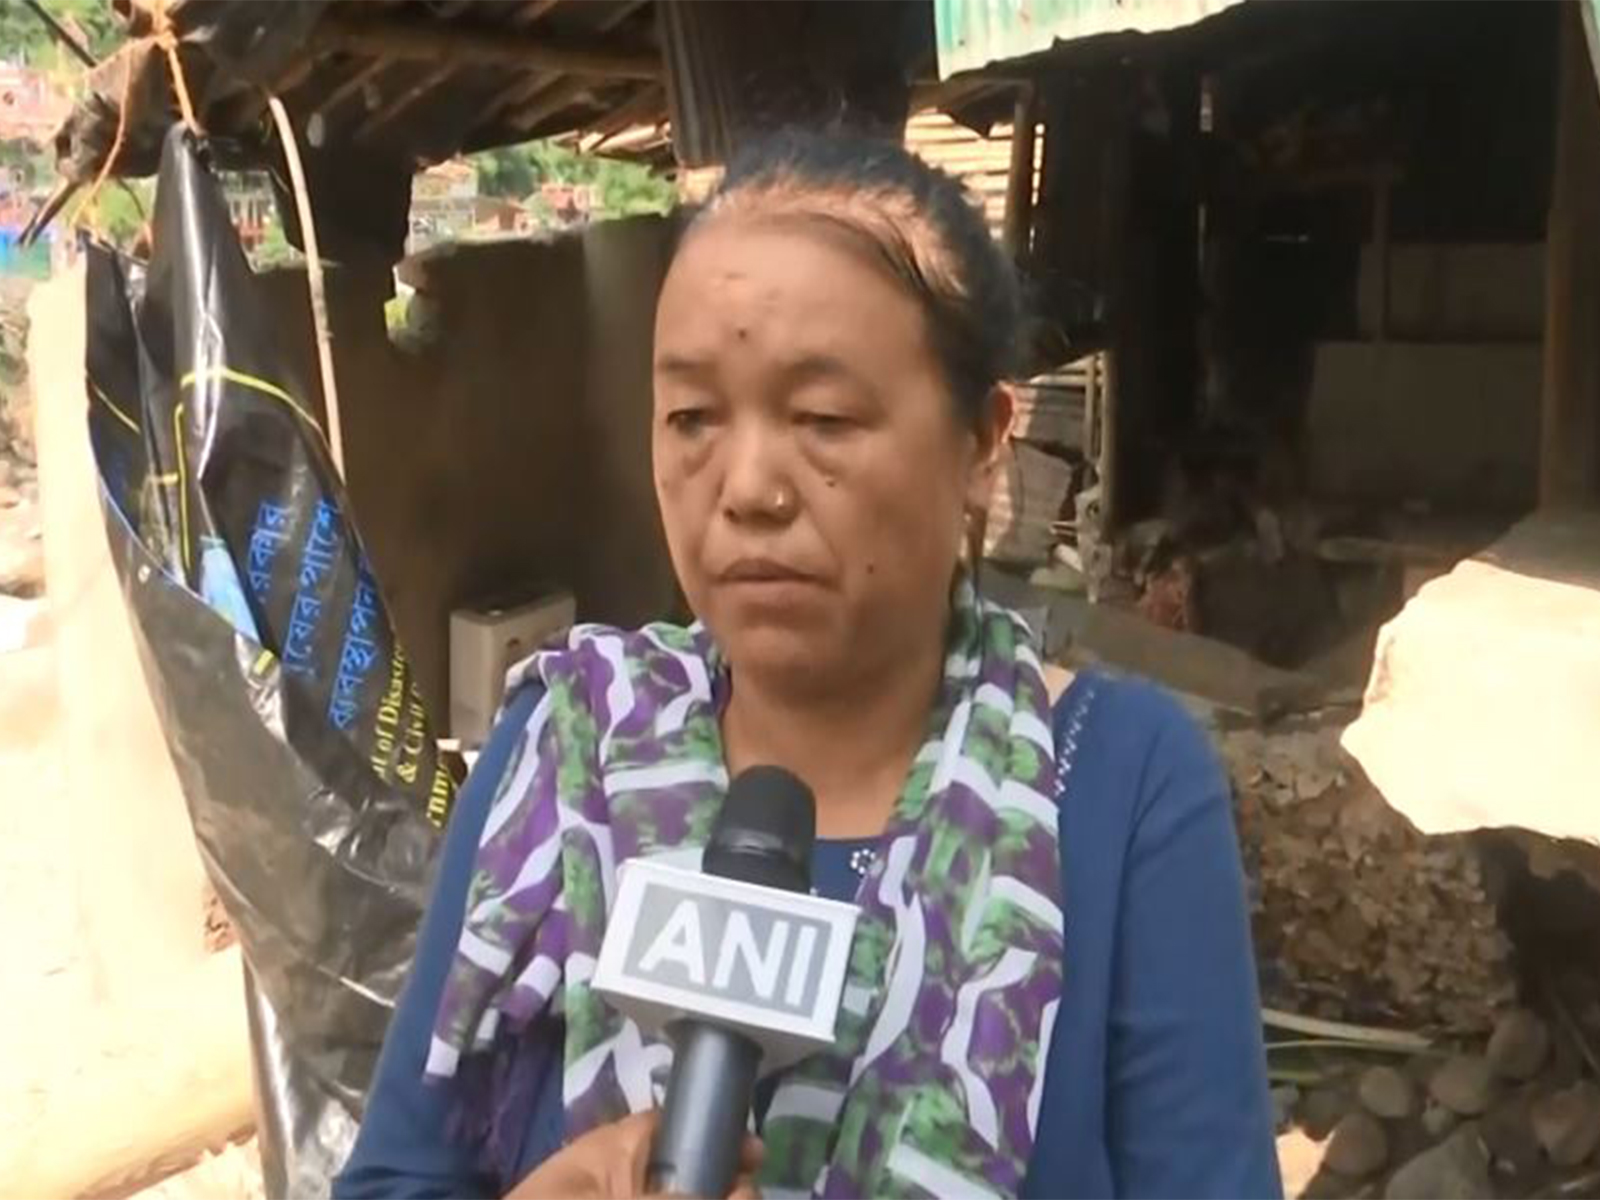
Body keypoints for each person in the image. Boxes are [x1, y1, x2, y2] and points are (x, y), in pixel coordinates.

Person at [335, 130, 1281, 1200]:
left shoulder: (1122, 788)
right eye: (691, 415)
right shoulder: (558, 750)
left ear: (983, 443)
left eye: (822, 418)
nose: (746, 487)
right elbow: (395, 1177)